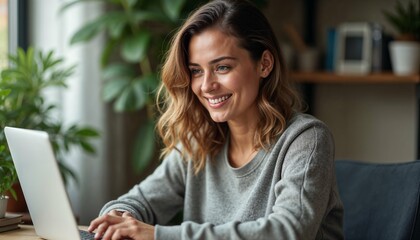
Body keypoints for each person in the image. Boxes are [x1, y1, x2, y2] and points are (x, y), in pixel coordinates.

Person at [88, 0, 344, 239]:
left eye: (222, 67)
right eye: (196, 71)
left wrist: (158, 235)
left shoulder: (306, 139)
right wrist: (119, 218)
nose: (206, 86)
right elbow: (140, 200)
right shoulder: (198, 140)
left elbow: (288, 231)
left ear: (264, 64)